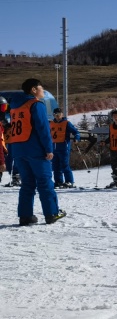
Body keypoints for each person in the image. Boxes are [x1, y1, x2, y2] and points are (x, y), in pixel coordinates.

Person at [7, 79, 66, 225]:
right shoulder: (35, 104)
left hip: (18, 149)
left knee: (27, 183)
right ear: (34, 90)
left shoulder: (14, 107)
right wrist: (48, 148)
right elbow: (43, 128)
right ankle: (52, 213)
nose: (43, 91)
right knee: (45, 182)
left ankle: (25, 216)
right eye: (41, 88)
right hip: (35, 149)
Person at [50, 107, 81, 188]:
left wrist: (76, 138)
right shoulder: (51, 123)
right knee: (55, 166)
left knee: (64, 165)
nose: (57, 116)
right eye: (56, 114)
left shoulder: (66, 123)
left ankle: (69, 181)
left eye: (59, 114)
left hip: (63, 147)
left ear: (62, 114)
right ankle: (58, 181)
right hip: (53, 147)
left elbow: (76, 132)